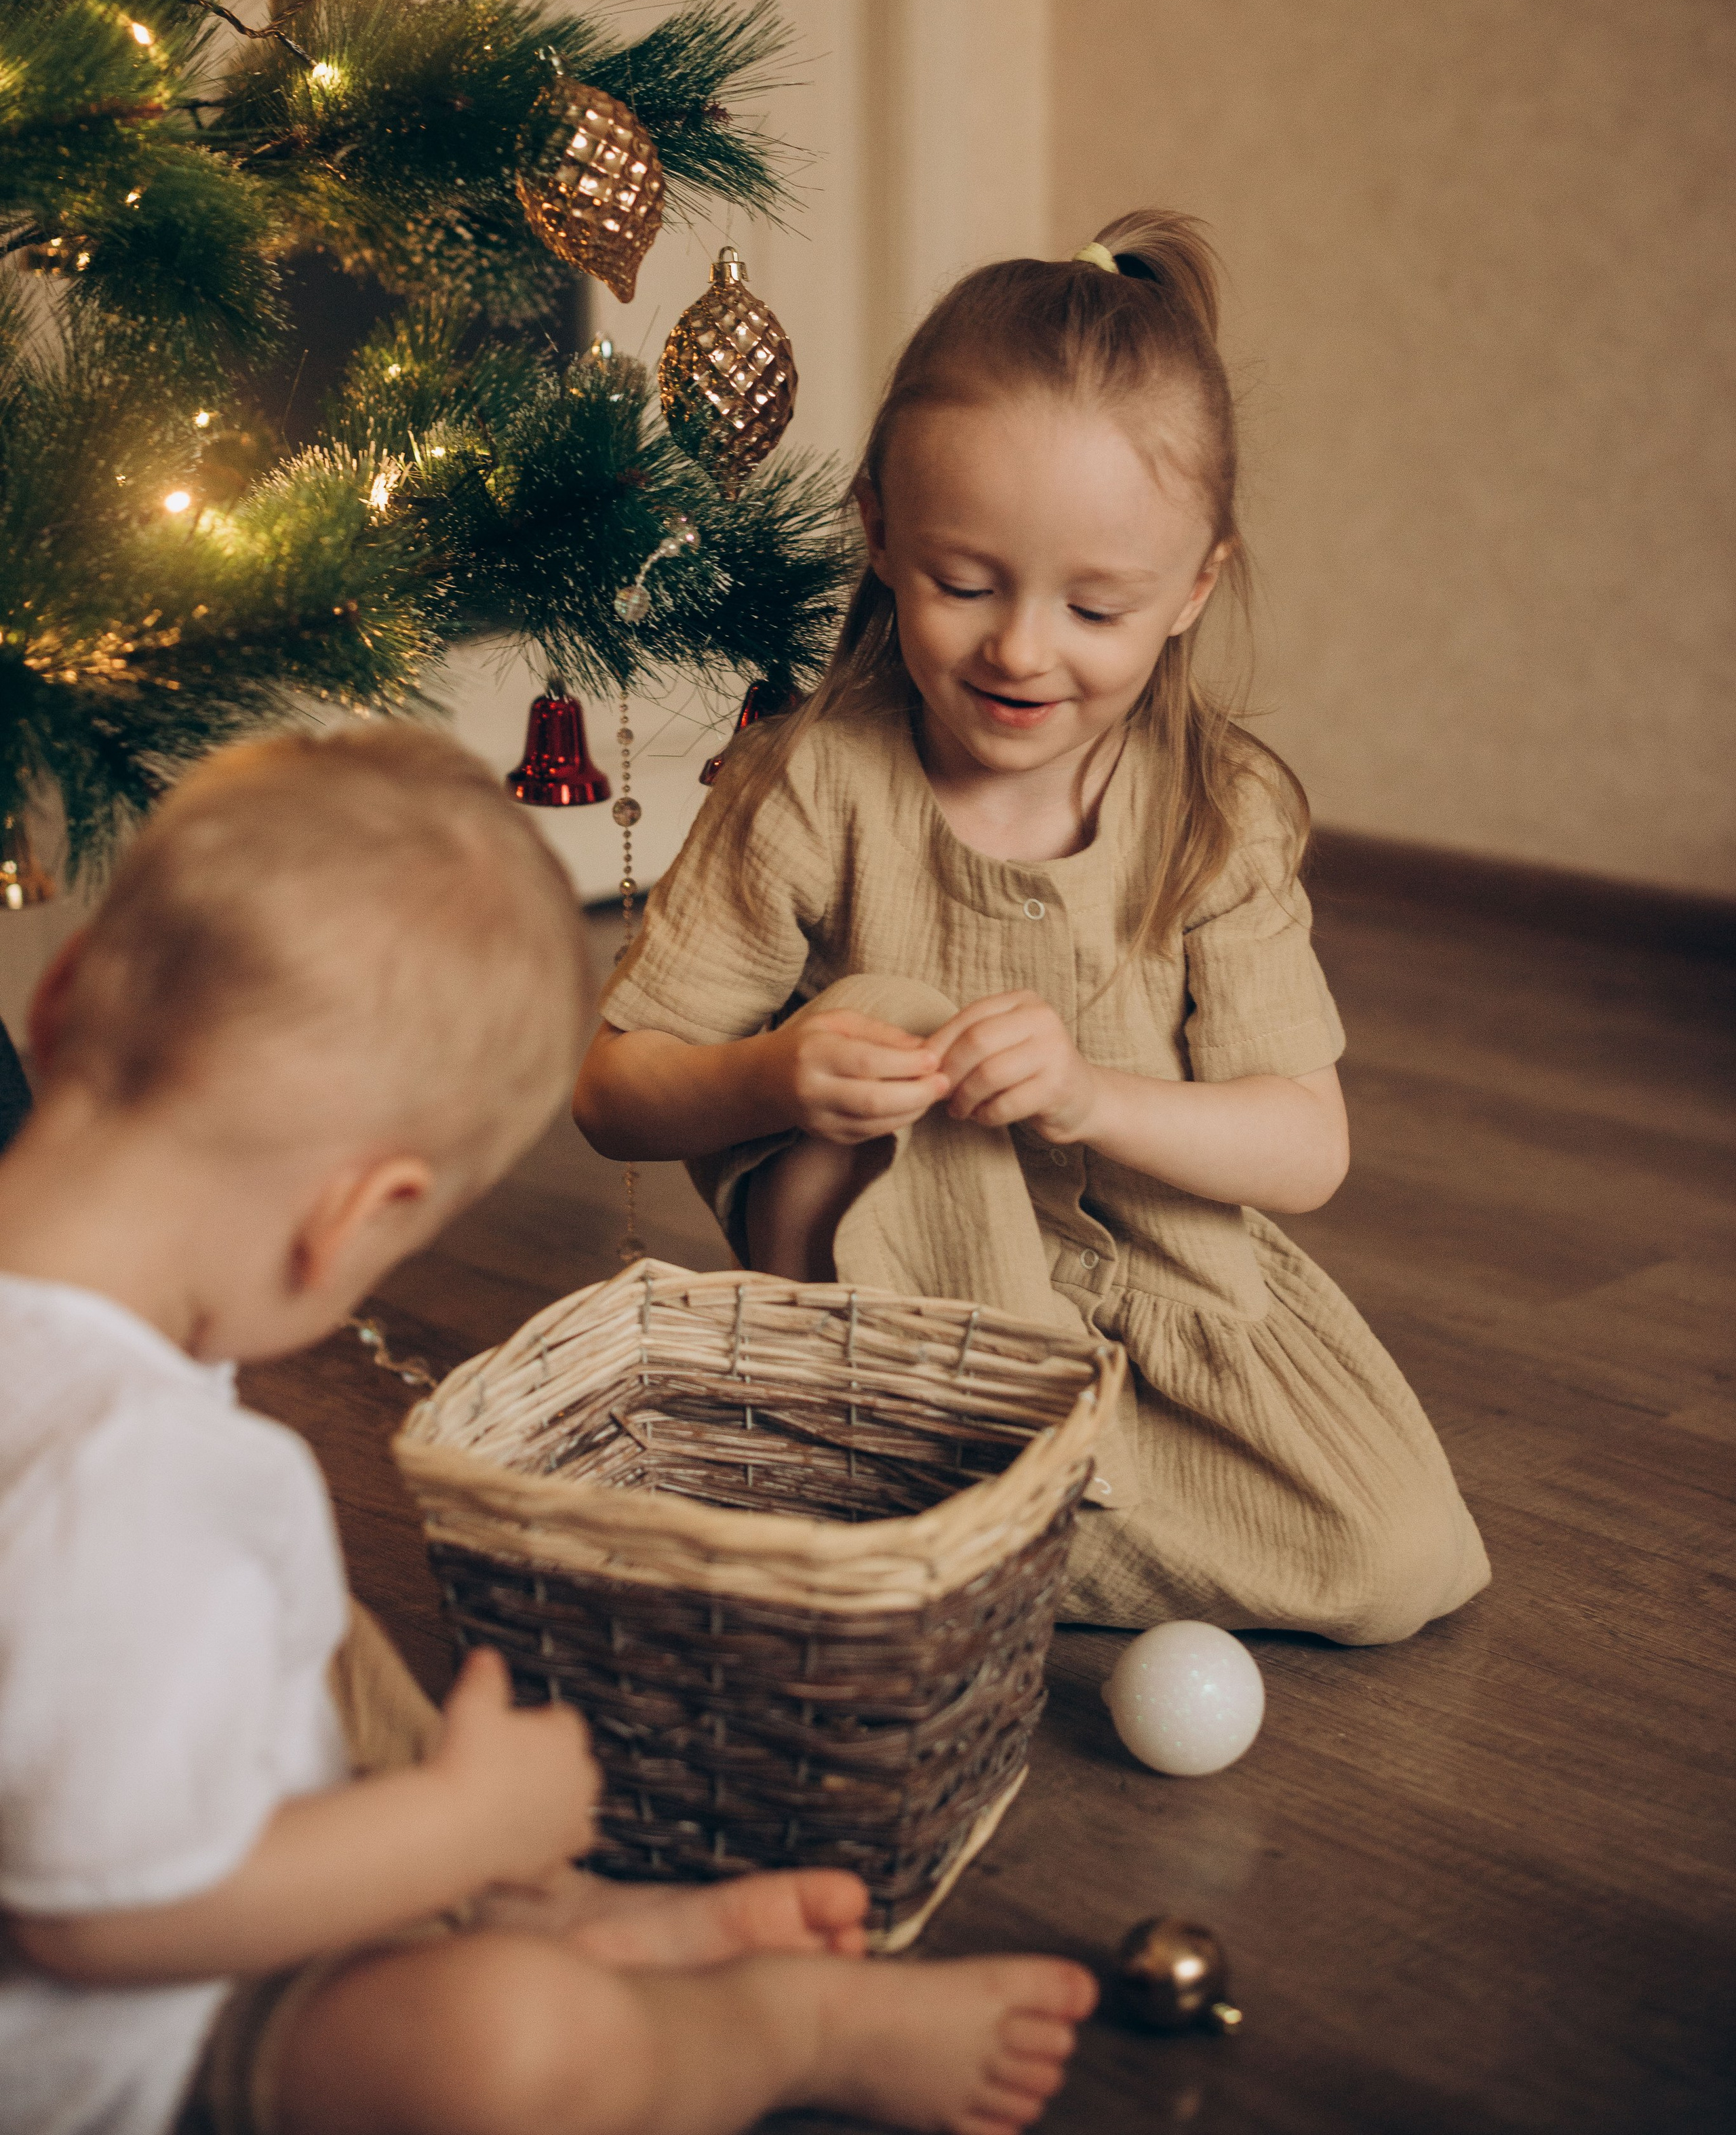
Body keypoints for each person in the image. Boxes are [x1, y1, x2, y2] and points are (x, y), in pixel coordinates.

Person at [0, 725, 1096, 2135]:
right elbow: (100, 1921)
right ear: (358, 1214)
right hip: (145, 2044)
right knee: (510, 2048)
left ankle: (567, 1918)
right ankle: (784, 2025)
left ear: (63, 1000)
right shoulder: (138, 1472)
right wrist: (459, 1825)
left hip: (203, 1880)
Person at [576, 213, 1491, 1647]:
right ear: (876, 531)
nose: (1018, 648)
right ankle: (945, 1475)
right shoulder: (815, 779)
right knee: (897, 1004)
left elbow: (1304, 1150)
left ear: (1190, 589)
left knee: (1393, 1560)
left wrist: (1087, 1096)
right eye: (964, 582)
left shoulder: (1215, 810)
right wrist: (778, 1074)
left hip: (1144, 1281)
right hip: (894, 1275)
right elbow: (613, 1091)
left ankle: (956, 1527)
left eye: (1094, 605)